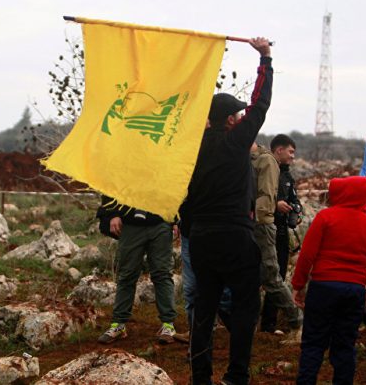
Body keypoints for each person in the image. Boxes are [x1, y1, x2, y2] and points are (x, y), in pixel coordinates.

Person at [184, 36, 272, 385]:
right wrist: (265, 59)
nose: (239, 118)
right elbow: (260, 104)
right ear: (229, 120)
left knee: (204, 308)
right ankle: (236, 376)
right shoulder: (236, 143)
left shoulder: (190, 149)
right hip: (235, 237)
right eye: (236, 114)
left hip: (202, 238)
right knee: (245, 308)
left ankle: (200, 377)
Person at [291, 176, 366, 385]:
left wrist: (298, 285)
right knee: (345, 346)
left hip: (323, 287)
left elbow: (307, 255)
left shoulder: (325, 217)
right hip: (354, 290)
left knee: (313, 344)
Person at [96, 195, 179, 345]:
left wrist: (176, 218)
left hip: (161, 221)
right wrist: (113, 214)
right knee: (127, 275)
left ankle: (168, 325)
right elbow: (110, 185)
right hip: (130, 222)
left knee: (162, 274)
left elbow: (174, 185)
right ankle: (118, 325)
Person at [250, 142, 302, 336]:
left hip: (261, 226)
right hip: (251, 226)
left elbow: (265, 199)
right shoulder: (248, 159)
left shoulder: (266, 161)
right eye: (290, 152)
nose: (292, 156)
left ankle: (297, 322)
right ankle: (250, 324)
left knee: (272, 278)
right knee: (249, 279)